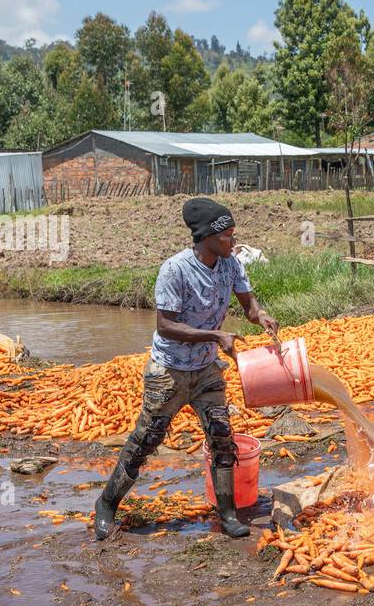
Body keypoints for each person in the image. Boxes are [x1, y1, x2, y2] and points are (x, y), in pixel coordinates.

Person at [93, 198, 279, 542]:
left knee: (222, 438)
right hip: (170, 371)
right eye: (227, 236)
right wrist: (214, 334)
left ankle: (227, 514)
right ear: (206, 237)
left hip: (207, 369)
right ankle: (106, 504)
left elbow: (248, 304)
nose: (232, 242)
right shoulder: (175, 270)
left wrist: (261, 315)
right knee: (146, 440)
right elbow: (166, 326)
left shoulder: (230, 264)